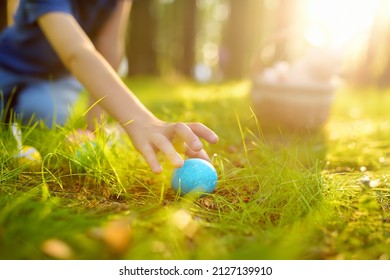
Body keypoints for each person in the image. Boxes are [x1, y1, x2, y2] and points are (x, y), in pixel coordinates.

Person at [0, 0, 219, 174]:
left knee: (42, 115)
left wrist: (94, 126)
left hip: (55, 77)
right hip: (7, 64)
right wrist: (143, 122)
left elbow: (109, 45)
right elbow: (76, 52)